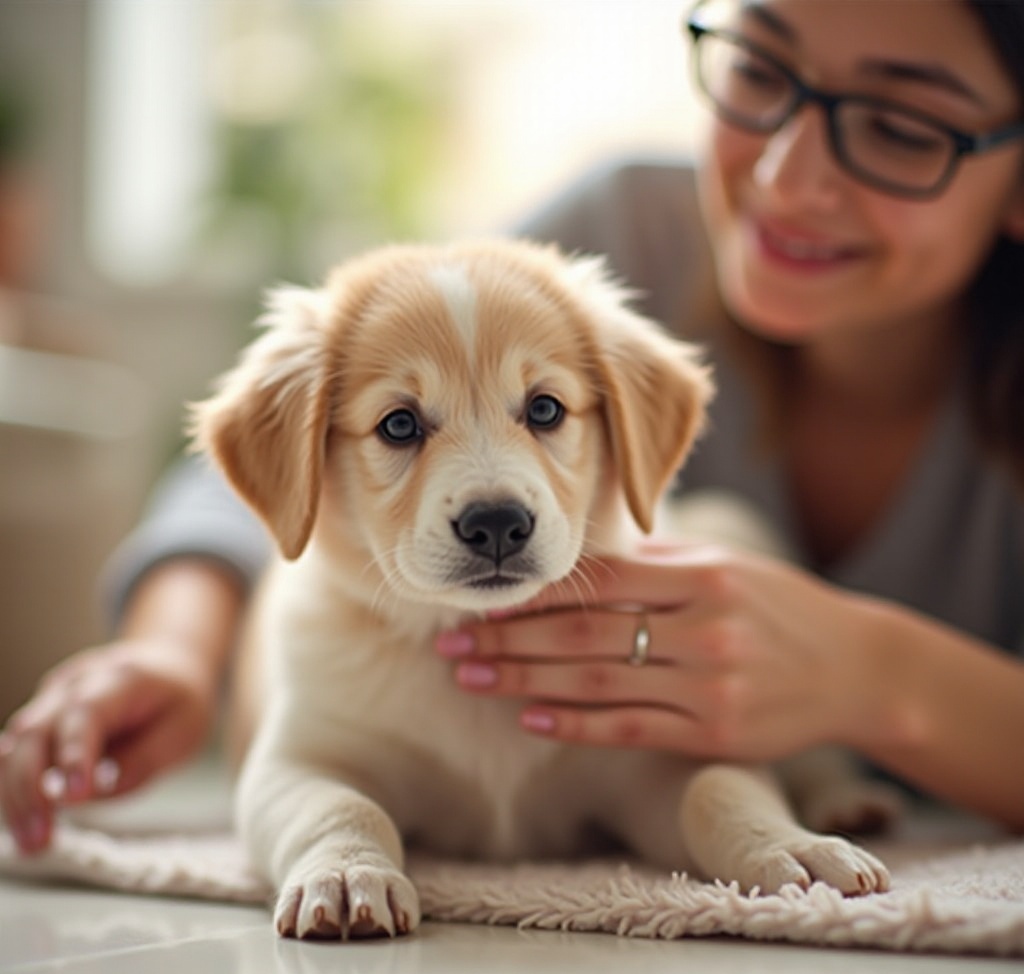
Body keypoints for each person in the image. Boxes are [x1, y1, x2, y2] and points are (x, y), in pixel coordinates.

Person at [2, 0, 1023, 854]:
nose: (789, 177)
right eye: (761, 67)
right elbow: (264, 458)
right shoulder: (621, 227)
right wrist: (178, 649)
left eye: (900, 124)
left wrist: (874, 677)